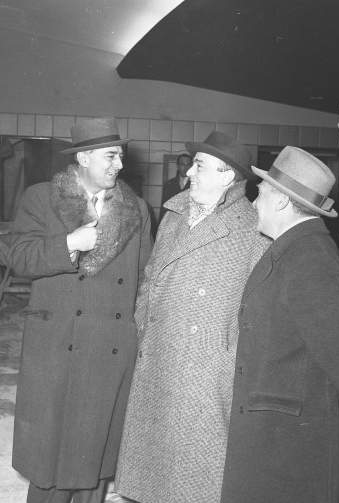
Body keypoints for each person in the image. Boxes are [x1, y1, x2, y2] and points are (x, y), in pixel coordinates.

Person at [115, 131, 270, 503]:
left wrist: (232, 358)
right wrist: (142, 327)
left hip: (208, 365)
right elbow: (151, 277)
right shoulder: (175, 214)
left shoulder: (254, 227)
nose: (188, 174)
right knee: (153, 458)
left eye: (199, 166)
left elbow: (260, 309)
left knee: (196, 471)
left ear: (227, 174)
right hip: (160, 352)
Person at [221, 146, 339, 503]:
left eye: (261, 193)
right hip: (278, 428)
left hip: (296, 439)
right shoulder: (292, 248)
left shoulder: (310, 259)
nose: (253, 203)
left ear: (281, 202)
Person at [8, 117, 152, 503]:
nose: (119, 164)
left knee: (95, 457)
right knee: (50, 457)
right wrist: (69, 242)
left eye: (121, 156)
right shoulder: (41, 198)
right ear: (84, 157)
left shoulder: (136, 209)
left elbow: (146, 277)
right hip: (56, 344)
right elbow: (19, 258)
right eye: (110, 156)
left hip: (110, 344)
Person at [159, 153, 193, 221]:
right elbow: (163, 209)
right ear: (177, 166)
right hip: (171, 222)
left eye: (188, 165)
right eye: (182, 164)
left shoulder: (195, 184)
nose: (186, 168)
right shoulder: (169, 184)